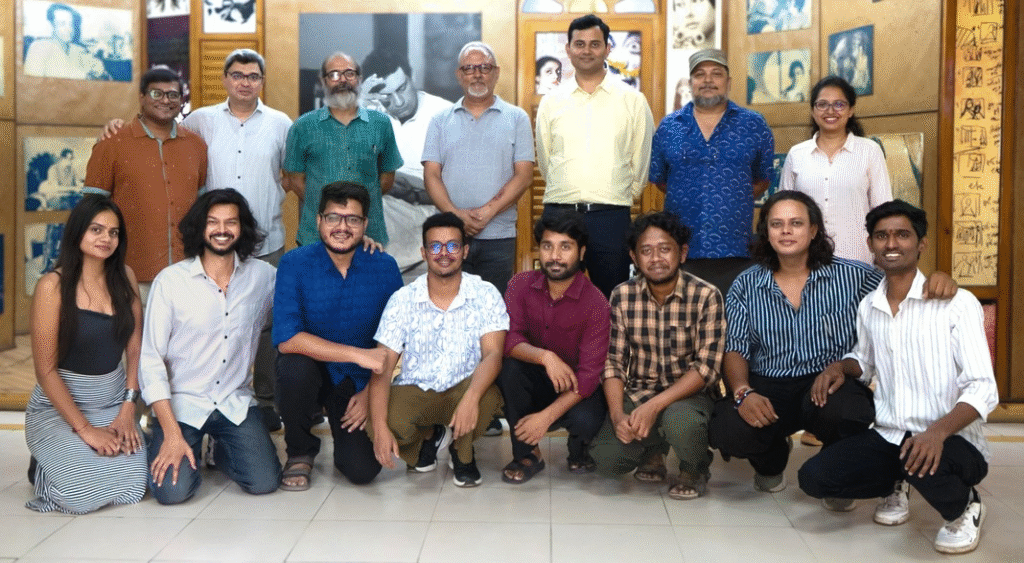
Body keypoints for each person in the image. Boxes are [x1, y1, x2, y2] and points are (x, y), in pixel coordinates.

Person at [708, 191, 956, 495]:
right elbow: (735, 347)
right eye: (777, 224)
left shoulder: (852, 276)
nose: (786, 231)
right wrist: (742, 392)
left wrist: (937, 278)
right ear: (766, 232)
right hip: (768, 384)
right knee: (728, 428)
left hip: (827, 383)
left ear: (813, 230)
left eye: (796, 223)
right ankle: (770, 461)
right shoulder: (746, 284)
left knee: (849, 411)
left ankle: (835, 468)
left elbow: (900, 283)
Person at [102, 49, 293, 429]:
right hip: (212, 243)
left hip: (267, 240)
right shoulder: (200, 121)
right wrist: (115, 127)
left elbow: (290, 175)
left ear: (262, 81)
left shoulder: (281, 123)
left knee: (266, 325)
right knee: (204, 321)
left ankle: (265, 401)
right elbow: (162, 133)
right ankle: (188, 401)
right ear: (225, 79)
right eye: (237, 74)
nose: (244, 82)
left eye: (253, 76)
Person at [798, 200, 997, 554]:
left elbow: (983, 387)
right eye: (882, 236)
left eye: (902, 235)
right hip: (890, 435)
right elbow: (864, 361)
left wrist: (936, 433)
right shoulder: (869, 306)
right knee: (814, 478)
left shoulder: (956, 303)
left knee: (918, 458)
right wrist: (839, 367)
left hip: (953, 439)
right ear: (871, 244)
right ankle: (896, 482)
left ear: (921, 244)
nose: (891, 243)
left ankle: (966, 506)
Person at [141, 189, 281, 504]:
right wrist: (171, 434)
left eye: (231, 222)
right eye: (213, 222)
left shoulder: (263, 277)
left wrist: (359, 247)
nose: (222, 229)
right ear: (200, 227)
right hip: (182, 405)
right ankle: (162, 439)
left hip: (234, 402)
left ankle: (220, 449)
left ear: (242, 228)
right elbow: (150, 361)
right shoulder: (171, 282)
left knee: (264, 483)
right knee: (172, 494)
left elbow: (304, 281)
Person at [273, 182, 404, 490]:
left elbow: (399, 339)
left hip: (357, 381)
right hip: (312, 372)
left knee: (362, 471)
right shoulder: (294, 264)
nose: (342, 228)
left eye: (352, 219)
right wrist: (359, 354)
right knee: (292, 368)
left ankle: (342, 433)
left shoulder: (384, 266)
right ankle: (300, 451)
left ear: (365, 225)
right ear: (319, 221)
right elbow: (288, 339)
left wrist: (370, 392)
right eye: (333, 217)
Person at [25, 195, 148, 514]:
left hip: (111, 404)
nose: (106, 238)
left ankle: (68, 458)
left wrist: (128, 408)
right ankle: (43, 467)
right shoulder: (52, 286)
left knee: (137, 485)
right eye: (96, 229)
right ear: (78, 231)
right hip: (59, 408)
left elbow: (135, 348)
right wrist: (86, 430)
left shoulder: (125, 277)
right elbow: (45, 371)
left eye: (113, 232)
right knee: (80, 495)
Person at [590, 211, 724, 500]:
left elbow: (706, 368)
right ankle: (653, 449)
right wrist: (617, 415)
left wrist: (655, 406)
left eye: (665, 249)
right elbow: (613, 362)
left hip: (690, 396)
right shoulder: (622, 295)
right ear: (634, 258)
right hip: (641, 390)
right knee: (607, 460)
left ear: (682, 253)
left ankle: (694, 468)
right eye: (646, 251)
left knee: (679, 421)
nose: (656, 259)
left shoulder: (706, 295)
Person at [369, 212, 507, 488]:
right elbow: (382, 367)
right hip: (418, 389)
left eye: (453, 245)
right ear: (424, 252)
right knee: (376, 421)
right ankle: (430, 438)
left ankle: (462, 452)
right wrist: (380, 428)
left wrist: (471, 398)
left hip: (466, 388)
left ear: (465, 251)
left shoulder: (485, 293)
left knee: (488, 398)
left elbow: (493, 355)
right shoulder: (403, 299)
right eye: (435, 246)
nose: (444, 253)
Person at [536, 14, 654, 298]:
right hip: (560, 212)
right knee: (556, 298)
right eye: (579, 44)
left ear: (607, 48)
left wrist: (618, 196)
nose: (586, 50)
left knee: (612, 298)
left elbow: (642, 158)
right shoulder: (551, 102)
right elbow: (545, 159)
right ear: (568, 49)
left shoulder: (632, 100)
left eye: (594, 44)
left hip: (611, 216)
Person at [650, 48, 774, 295]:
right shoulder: (669, 127)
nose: (708, 80)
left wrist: (732, 197)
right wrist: (691, 194)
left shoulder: (753, 124)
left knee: (733, 315)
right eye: (699, 74)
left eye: (716, 73)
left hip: (735, 248)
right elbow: (661, 180)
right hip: (680, 248)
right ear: (691, 82)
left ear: (728, 82)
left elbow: (763, 178)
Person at [497, 212, 609, 483]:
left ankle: (579, 448)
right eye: (548, 246)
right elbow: (508, 340)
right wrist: (546, 357)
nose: (555, 256)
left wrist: (546, 418)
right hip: (535, 378)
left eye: (565, 247)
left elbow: (589, 376)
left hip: (575, 388)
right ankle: (528, 453)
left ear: (581, 252)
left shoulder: (597, 303)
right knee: (510, 370)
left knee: (588, 419)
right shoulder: (519, 285)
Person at [423, 41, 534, 295]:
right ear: (459, 75)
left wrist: (488, 212)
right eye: (469, 68)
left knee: (493, 307)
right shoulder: (439, 121)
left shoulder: (517, 118)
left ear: (496, 73)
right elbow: (431, 176)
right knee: (449, 304)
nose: (477, 74)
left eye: (484, 67)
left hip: (499, 237)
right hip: (449, 237)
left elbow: (524, 175)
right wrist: (456, 216)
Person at [84, 67, 208, 295]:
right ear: (142, 97)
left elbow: (202, 208)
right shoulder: (112, 143)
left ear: (181, 100)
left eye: (172, 95)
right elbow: (91, 210)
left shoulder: (196, 146)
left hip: (188, 272)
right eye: (156, 93)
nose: (165, 100)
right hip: (130, 273)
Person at [284, 52, 402, 247]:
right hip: (315, 237)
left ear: (359, 79)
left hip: (370, 236)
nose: (342, 80)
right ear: (323, 81)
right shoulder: (302, 126)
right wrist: (329, 208)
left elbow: (387, 178)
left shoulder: (381, 124)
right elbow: (295, 180)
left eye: (349, 73)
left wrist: (358, 207)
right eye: (334, 75)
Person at [780, 75, 891, 265]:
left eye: (839, 104)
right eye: (822, 104)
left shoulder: (869, 151)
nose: (830, 111)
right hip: (806, 261)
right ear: (813, 111)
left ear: (851, 110)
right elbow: (784, 212)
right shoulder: (796, 154)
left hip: (858, 261)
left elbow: (883, 211)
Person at [23, 2, 108, 80]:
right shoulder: (39, 48)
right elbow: (32, 83)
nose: (69, 29)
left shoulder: (78, 50)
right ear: (52, 26)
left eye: (71, 24)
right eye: (62, 24)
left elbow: (100, 69)